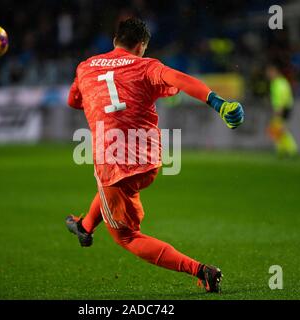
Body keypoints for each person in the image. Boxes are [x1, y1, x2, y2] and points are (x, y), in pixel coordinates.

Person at [65, 18, 245, 293]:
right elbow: (181, 80)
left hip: (112, 161)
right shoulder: (146, 65)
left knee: (126, 236)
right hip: (148, 160)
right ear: (141, 46)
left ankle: (201, 271)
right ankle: (85, 227)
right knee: (112, 191)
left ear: (115, 40)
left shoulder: (85, 67)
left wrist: (94, 99)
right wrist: (218, 103)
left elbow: (73, 101)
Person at [266, 64, 298, 157]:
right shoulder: (281, 82)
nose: (268, 75)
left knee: (279, 130)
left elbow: (282, 97)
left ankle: (290, 149)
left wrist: (279, 109)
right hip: (285, 108)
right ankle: (284, 150)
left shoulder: (278, 83)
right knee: (278, 130)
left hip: (283, 109)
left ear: (274, 72)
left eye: (269, 72)